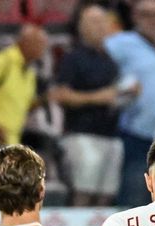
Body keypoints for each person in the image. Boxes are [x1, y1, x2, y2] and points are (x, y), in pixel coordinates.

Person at [106, 0, 155, 207]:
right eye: (146, 15)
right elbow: (99, 69)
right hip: (139, 132)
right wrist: (121, 89)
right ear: (135, 17)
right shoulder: (120, 42)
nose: (153, 20)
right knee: (134, 195)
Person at [51, 5, 123, 207]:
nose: (100, 26)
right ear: (82, 27)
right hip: (82, 134)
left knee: (106, 195)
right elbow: (60, 95)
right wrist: (96, 98)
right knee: (83, 192)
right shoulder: (73, 58)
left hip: (110, 134)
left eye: (103, 21)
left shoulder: (109, 59)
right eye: (93, 22)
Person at [0, 24, 47, 187]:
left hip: (11, 143)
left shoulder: (30, 72)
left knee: (5, 195)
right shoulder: (1, 62)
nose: (43, 49)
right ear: (26, 42)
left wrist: (44, 100)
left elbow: (22, 106)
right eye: (40, 44)